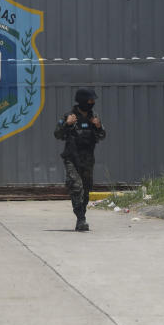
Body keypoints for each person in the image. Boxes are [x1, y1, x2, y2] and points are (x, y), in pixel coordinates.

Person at [54, 87, 106, 231]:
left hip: (88, 159)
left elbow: (102, 136)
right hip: (72, 158)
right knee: (76, 187)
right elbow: (57, 134)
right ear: (83, 100)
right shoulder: (69, 116)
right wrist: (67, 124)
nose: (92, 103)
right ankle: (80, 218)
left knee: (86, 190)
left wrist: (98, 126)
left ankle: (82, 214)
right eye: (90, 100)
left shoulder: (93, 116)